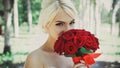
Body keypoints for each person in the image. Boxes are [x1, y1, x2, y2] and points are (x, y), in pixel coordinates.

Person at [24, 0, 87, 68]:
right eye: (59, 24)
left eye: (71, 23)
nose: (68, 30)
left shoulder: (78, 53)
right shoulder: (35, 58)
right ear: (46, 25)